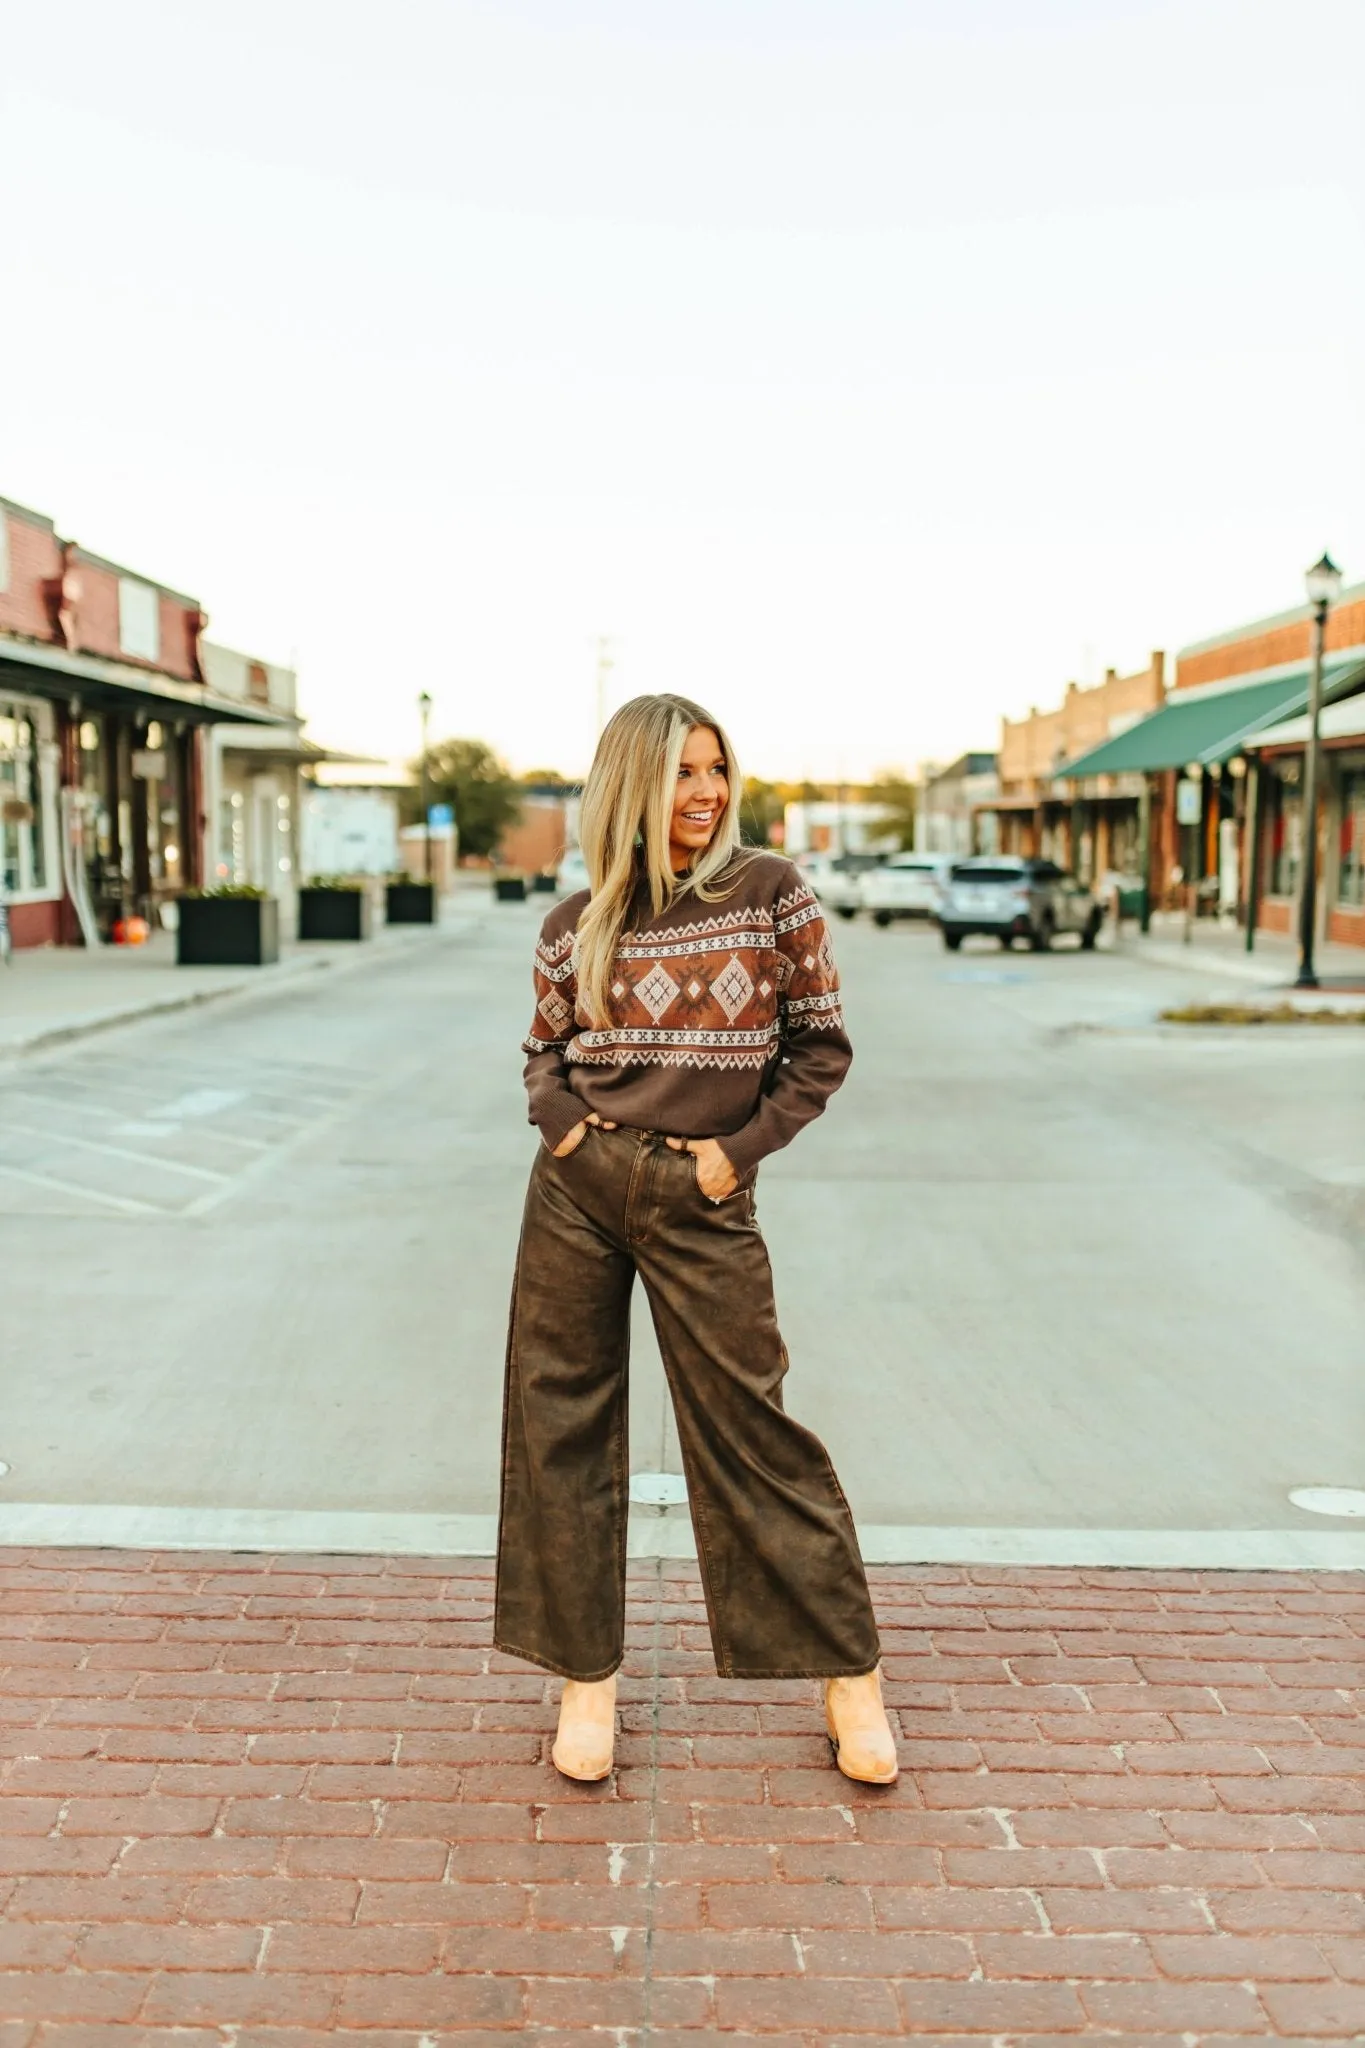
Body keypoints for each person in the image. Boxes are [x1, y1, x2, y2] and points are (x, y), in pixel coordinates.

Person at [494, 693, 897, 1787]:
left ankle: (847, 1673)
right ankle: (586, 1680)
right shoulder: (574, 920)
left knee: (752, 1427)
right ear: (633, 784)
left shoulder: (769, 895)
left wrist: (738, 1152)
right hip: (578, 1182)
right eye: (682, 773)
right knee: (558, 1421)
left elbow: (819, 1048)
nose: (707, 792)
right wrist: (564, 1122)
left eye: (717, 769)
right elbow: (543, 1049)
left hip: (704, 1189)